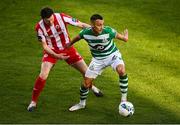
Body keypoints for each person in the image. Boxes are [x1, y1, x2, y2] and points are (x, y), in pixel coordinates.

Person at [27, 7, 103, 112]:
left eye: (51, 19)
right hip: (51, 51)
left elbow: (80, 24)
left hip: (68, 48)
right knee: (43, 75)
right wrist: (56, 56)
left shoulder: (62, 17)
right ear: (42, 19)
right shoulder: (39, 27)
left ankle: (92, 87)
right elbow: (45, 46)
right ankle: (33, 102)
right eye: (47, 20)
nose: (50, 22)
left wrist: (94, 29)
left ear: (53, 15)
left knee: (87, 72)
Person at [67, 14, 129, 111]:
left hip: (112, 55)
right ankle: (81, 104)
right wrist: (69, 44)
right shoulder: (85, 33)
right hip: (97, 60)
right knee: (86, 84)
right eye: (99, 25)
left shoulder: (108, 31)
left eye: (102, 24)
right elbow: (77, 38)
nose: (101, 27)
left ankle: (123, 100)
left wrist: (125, 36)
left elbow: (123, 38)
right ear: (91, 24)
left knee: (121, 71)